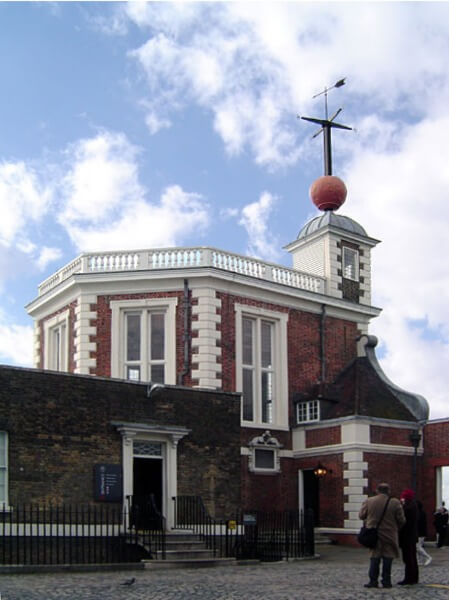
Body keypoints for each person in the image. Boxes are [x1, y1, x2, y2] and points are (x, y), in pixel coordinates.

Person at [359, 483, 405, 589]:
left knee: (374, 558)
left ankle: (373, 581)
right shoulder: (395, 502)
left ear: (377, 490)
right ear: (388, 491)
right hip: (390, 534)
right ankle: (386, 581)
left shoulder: (369, 501)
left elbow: (361, 516)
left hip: (373, 534)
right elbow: (402, 520)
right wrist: (395, 527)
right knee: (388, 558)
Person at [398, 488, 419, 585]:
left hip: (407, 537)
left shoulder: (407, 508)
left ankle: (409, 578)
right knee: (412, 558)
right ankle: (414, 577)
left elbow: (402, 521)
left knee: (408, 558)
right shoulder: (413, 506)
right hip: (412, 536)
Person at [416, 500, 432, 566]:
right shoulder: (422, 513)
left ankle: (428, 557)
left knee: (417, 547)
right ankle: (419, 561)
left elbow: (418, 524)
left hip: (419, 533)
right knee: (419, 547)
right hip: (421, 532)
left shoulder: (419, 513)